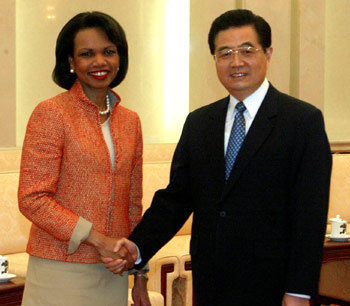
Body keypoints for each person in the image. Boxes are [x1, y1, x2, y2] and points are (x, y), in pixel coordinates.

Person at [103, 9, 332, 306]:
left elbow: (309, 215)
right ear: (214, 59)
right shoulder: (200, 122)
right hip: (212, 280)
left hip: (272, 284)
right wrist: (138, 245)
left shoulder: (302, 121)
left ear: (268, 53)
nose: (236, 62)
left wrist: (299, 291)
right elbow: (177, 198)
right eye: (225, 53)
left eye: (247, 50)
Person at [18, 11, 150, 306]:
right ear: (71, 62)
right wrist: (98, 240)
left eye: (109, 52)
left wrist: (140, 273)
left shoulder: (131, 121)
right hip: (61, 269)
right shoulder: (52, 113)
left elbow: (133, 204)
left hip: (112, 271)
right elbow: (32, 197)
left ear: (120, 57)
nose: (100, 62)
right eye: (87, 54)